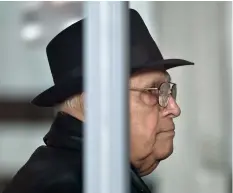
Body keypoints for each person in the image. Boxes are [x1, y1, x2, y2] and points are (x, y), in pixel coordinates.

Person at [3, 8, 194, 193]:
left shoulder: (84, 175)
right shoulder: (71, 186)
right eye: (154, 92)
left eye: (168, 91)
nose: (174, 108)